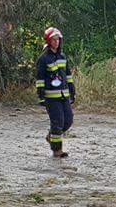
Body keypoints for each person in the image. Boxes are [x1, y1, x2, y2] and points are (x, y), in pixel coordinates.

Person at [35, 27, 75, 157]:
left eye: (58, 39)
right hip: (51, 98)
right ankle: (57, 151)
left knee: (68, 121)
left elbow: (68, 76)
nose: (56, 42)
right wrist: (41, 96)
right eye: (54, 39)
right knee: (57, 122)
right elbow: (40, 79)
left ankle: (51, 136)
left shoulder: (63, 57)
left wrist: (72, 91)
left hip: (64, 95)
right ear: (48, 41)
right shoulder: (43, 59)